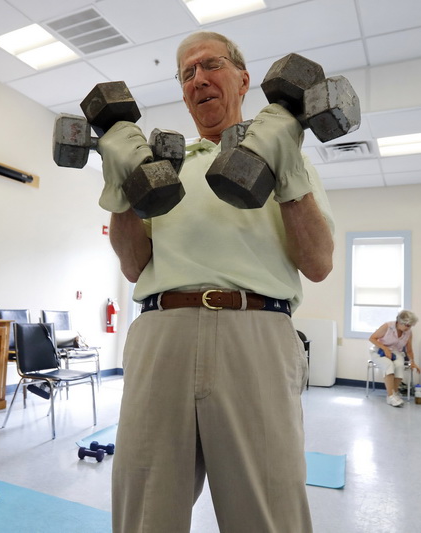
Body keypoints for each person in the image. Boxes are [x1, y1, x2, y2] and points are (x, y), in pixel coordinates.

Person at [98, 31, 335, 532]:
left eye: (211, 65)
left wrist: (286, 169)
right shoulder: (159, 166)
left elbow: (317, 263)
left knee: (268, 509)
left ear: (244, 79)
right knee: (145, 509)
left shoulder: (289, 156)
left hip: (257, 332)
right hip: (163, 332)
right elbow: (134, 265)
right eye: (187, 73)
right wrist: (122, 189)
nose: (199, 79)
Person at [368, 310, 420, 407]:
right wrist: (385, 349)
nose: (409, 328)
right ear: (400, 322)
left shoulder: (408, 332)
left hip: (396, 352)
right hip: (379, 351)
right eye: (407, 325)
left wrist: (413, 362)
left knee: (399, 365)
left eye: (411, 326)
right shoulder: (387, 326)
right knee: (389, 365)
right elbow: (372, 338)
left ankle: (394, 394)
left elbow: (409, 349)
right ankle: (391, 396)